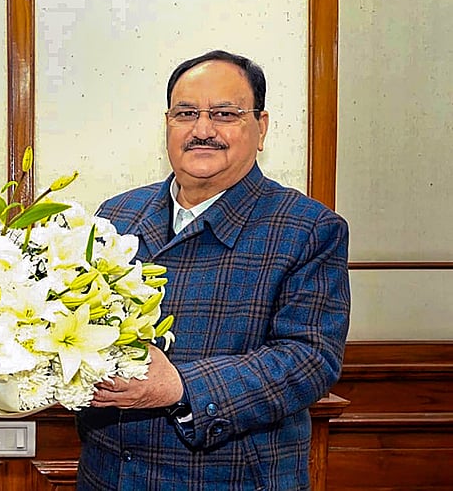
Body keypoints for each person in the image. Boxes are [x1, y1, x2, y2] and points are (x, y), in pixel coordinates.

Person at [76, 50, 350, 490]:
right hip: (109, 473)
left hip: (233, 478)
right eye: (186, 114)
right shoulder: (117, 214)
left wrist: (181, 386)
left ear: (260, 127)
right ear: (168, 124)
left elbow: (309, 359)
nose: (203, 130)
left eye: (225, 114)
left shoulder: (309, 228)